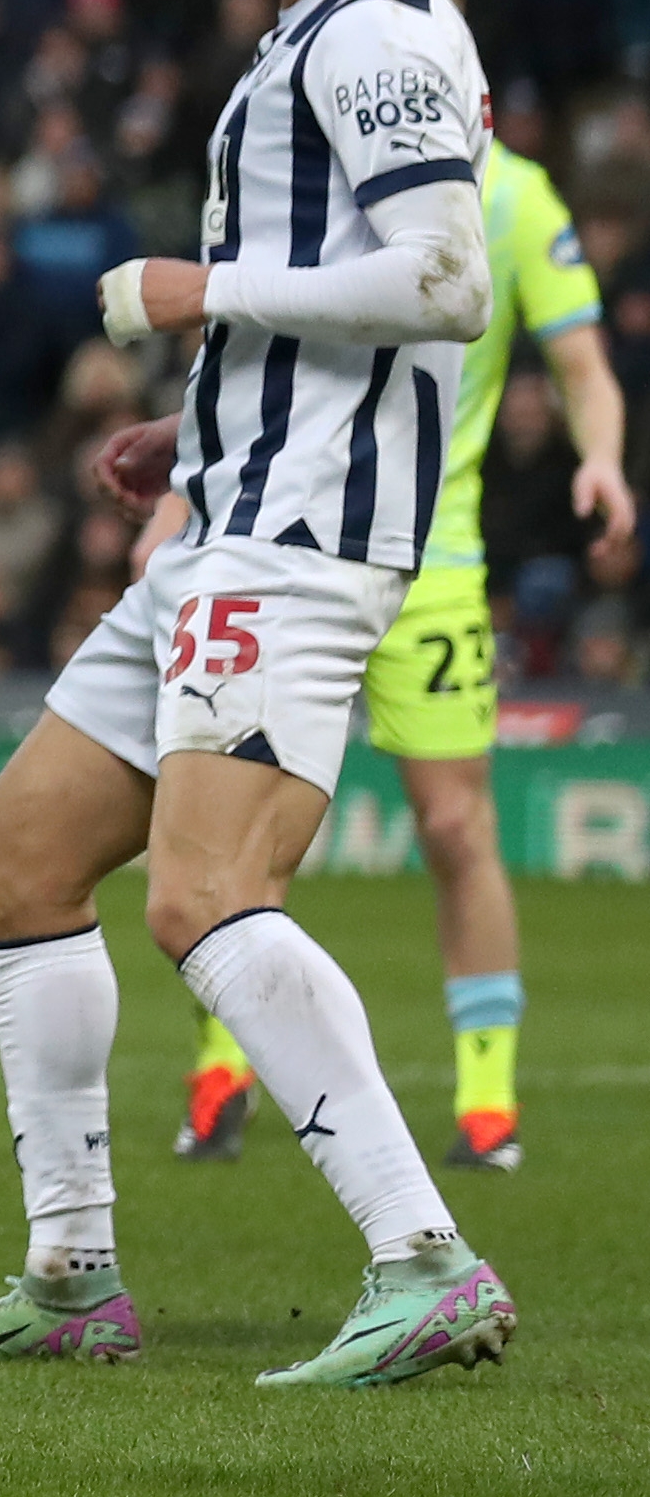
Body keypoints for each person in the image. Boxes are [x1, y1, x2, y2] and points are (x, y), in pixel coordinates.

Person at [0, 0, 518, 1388]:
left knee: (201, 896)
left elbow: (447, 284)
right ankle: (70, 1274)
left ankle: (422, 1255)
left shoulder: (376, 32)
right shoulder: (302, 29)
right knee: (19, 862)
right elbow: (361, 303)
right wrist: (203, 415)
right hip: (228, 508)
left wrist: (198, 295)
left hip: (300, 548)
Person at [168, 138, 630, 1174]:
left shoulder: (513, 197)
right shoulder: (315, 182)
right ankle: (221, 1075)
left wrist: (599, 458)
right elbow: (238, 366)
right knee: (245, 829)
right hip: (288, 548)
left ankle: (483, 1100)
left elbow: (579, 364)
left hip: (432, 563)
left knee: (454, 825)